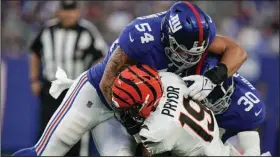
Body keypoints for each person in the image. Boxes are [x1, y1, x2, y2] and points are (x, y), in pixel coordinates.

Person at [13, 1, 248, 156]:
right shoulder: (140, 36)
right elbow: (107, 81)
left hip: (132, 109)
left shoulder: (194, 37)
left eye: (196, 52)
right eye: (184, 50)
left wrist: (212, 78)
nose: (189, 58)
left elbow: (238, 51)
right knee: (47, 152)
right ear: (168, 37)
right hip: (97, 95)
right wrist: (132, 121)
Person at [111, 64, 260, 156]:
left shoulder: (158, 129)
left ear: (144, 103)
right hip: (217, 146)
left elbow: (146, 152)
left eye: (130, 107)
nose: (127, 111)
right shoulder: (170, 79)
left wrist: (135, 131)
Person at [28, 1, 107, 156]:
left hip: (76, 89)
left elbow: (102, 56)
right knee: (47, 131)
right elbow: (34, 52)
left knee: (77, 131)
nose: (68, 14)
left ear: (78, 12)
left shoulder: (87, 30)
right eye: (65, 10)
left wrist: (92, 79)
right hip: (51, 89)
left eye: (71, 11)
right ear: (59, 11)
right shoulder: (47, 30)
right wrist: (34, 79)